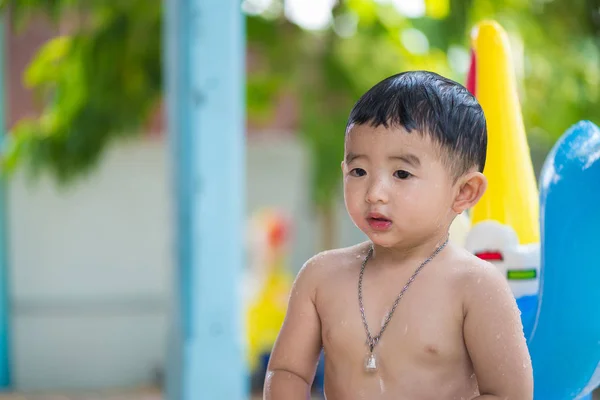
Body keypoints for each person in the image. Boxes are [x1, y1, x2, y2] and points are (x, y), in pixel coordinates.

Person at [263, 71, 533, 400]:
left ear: (464, 191)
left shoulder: (476, 287)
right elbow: (287, 371)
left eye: (402, 173)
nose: (375, 192)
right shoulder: (321, 277)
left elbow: (509, 394)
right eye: (358, 171)